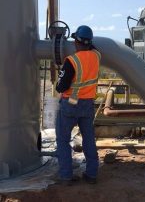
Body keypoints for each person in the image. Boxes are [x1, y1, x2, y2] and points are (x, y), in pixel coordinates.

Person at [55, 25, 101, 184]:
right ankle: (92, 174)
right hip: (87, 103)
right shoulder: (96, 56)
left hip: (72, 101)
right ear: (89, 42)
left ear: (75, 41)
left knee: (62, 140)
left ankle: (66, 176)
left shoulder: (72, 61)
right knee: (89, 138)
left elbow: (61, 87)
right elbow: (92, 47)